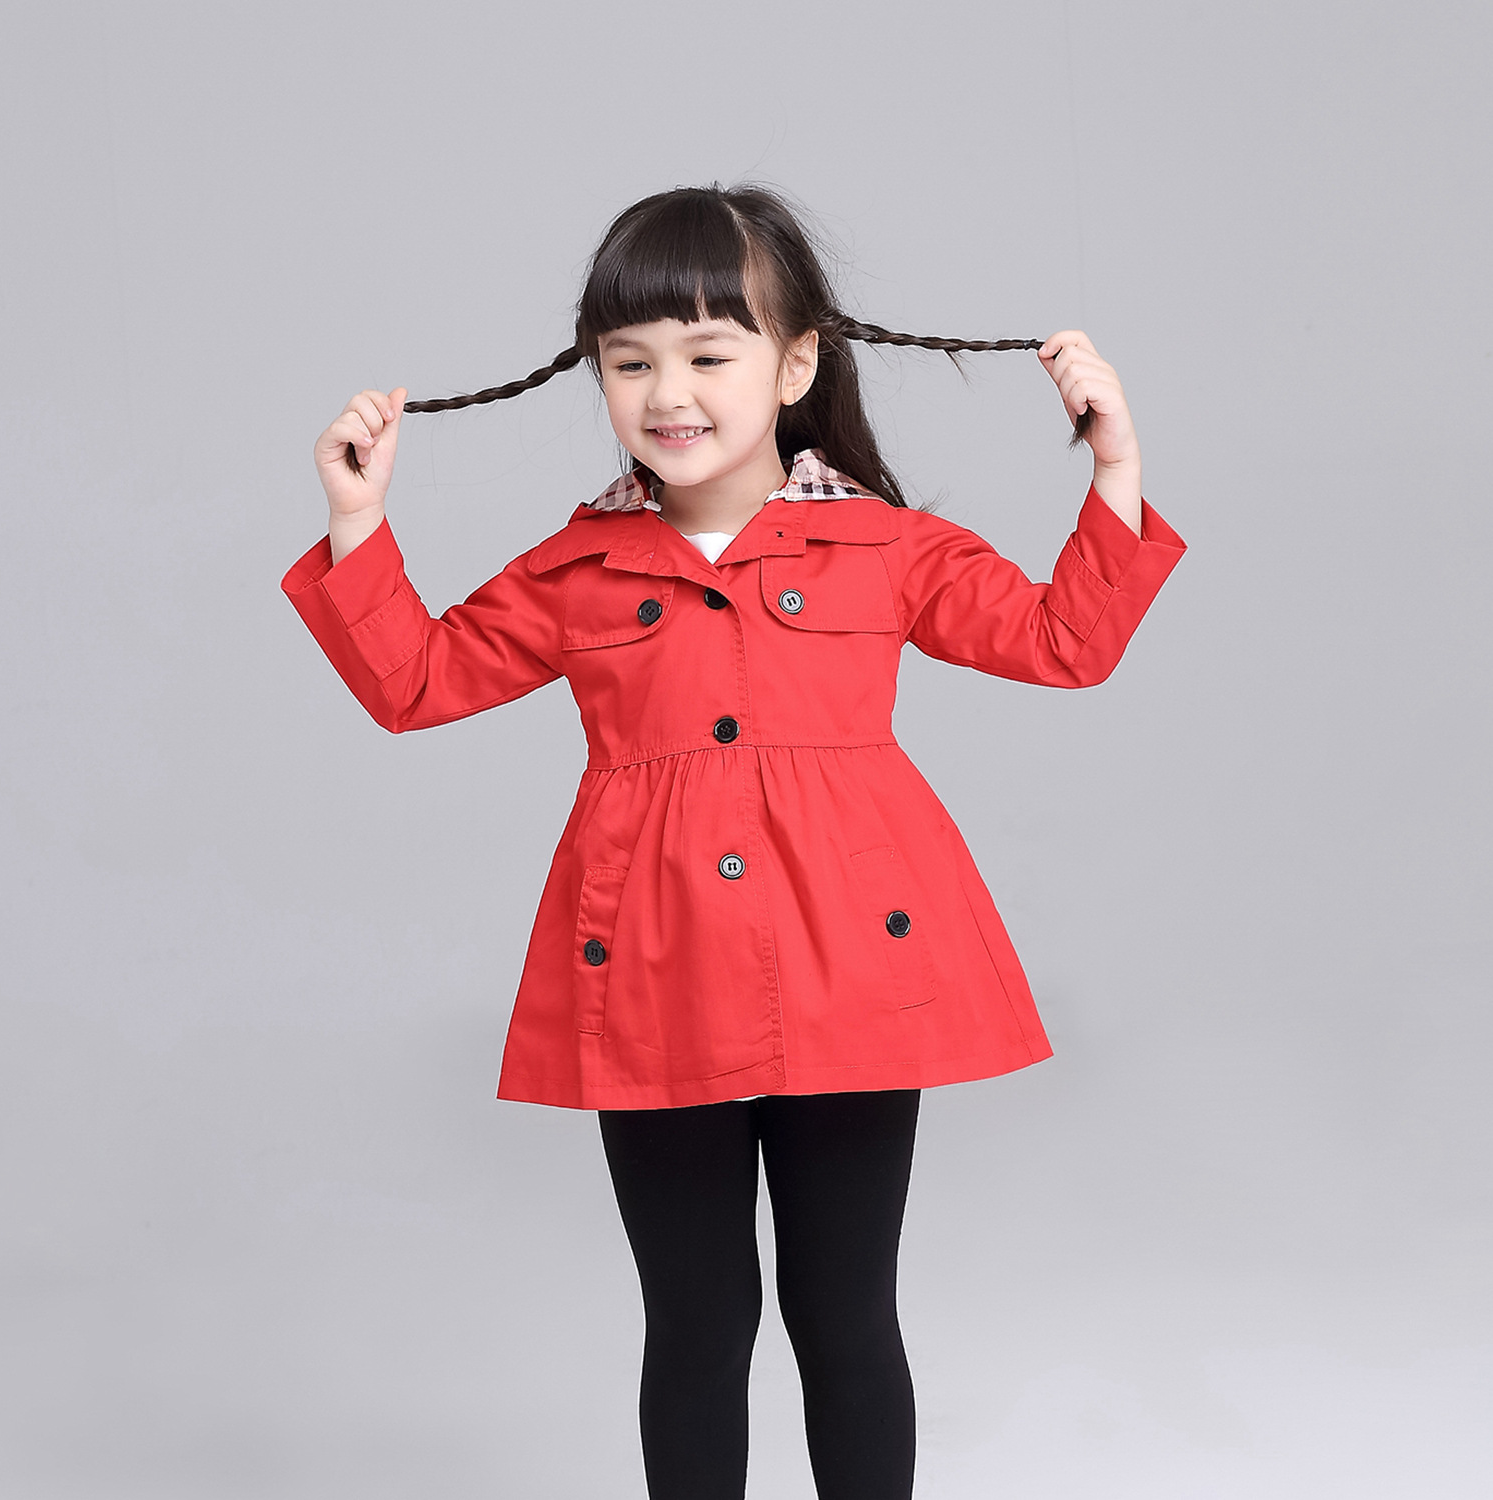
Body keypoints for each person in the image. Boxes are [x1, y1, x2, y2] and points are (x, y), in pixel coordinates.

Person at [282, 183, 1185, 1500]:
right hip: (654, 979)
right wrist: (360, 526)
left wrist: (1114, 475)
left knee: (847, 1317)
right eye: (630, 362)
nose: (670, 394)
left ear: (795, 364)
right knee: (697, 1326)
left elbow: (1066, 642)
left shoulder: (885, 546)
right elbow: (415, 683)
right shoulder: (578, 569)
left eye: (710, 355)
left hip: (851, 976)